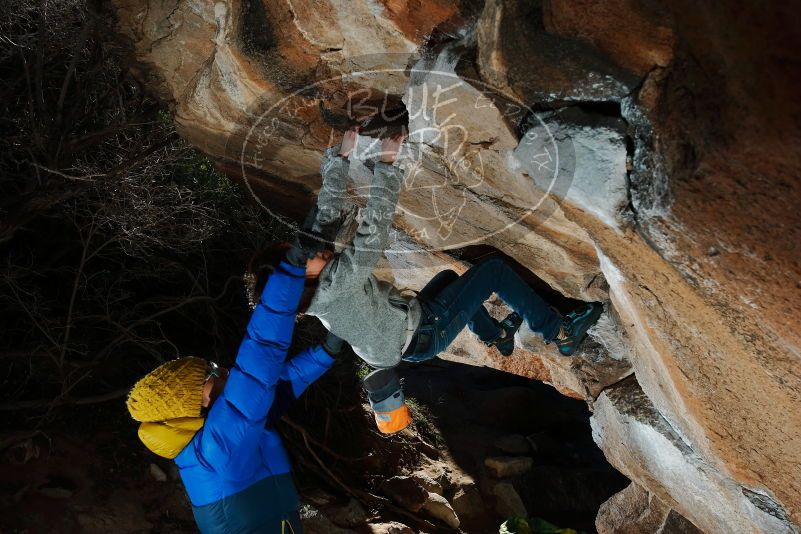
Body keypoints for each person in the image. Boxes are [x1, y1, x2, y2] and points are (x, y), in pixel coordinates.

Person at [251, 127, 603, 432]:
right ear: (301, 278)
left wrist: (340, 159)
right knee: (493, 270)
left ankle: (496, 335)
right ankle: (558, 331)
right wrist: (387, 166)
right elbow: (372, 234)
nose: (310, 252)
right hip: (424, 331)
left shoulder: (313, 283)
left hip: (410, 326)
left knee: (450, 276)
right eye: (302, 258)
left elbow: (323, 221)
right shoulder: (334, 287)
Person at [126, 231, 341, 534]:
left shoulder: (211, 446)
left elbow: (275, 387)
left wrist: (326, 352)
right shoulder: (218, 450)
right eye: (210, 372)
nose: (221, 370)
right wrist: (289, 273)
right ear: (196, 402)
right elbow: (260, 359)